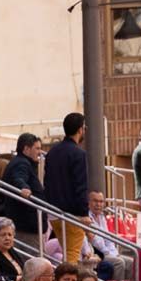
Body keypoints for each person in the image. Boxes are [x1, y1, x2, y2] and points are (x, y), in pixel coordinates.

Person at [44, 112, 89, 264]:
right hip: (72, 213)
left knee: (68, 253)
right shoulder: (78, 154)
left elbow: (47, 180)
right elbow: (81, 185)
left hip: (53, 211)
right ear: (80, 130)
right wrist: (84, 213)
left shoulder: (52, 152)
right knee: (72, 256)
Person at [3, 133, 45, 252]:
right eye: (37, 148)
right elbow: (18, 178)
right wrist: (23, 188)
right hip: (26, 224)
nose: (40, 152)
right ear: (26, 149)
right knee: (35, 263)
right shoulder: (22, 163)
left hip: (25, 223)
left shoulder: (22, 162)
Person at [86, 190, 132, 280]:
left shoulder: (102, 217)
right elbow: (96, 242)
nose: (98, 204)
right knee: (119, 262)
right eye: (95, 201)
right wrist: (110, 253)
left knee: (131, 262)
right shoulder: (87, 218)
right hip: (96, 253)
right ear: (88, 203)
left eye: (101, 201)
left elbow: (108, 239)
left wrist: (114, 253)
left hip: (107, 252)